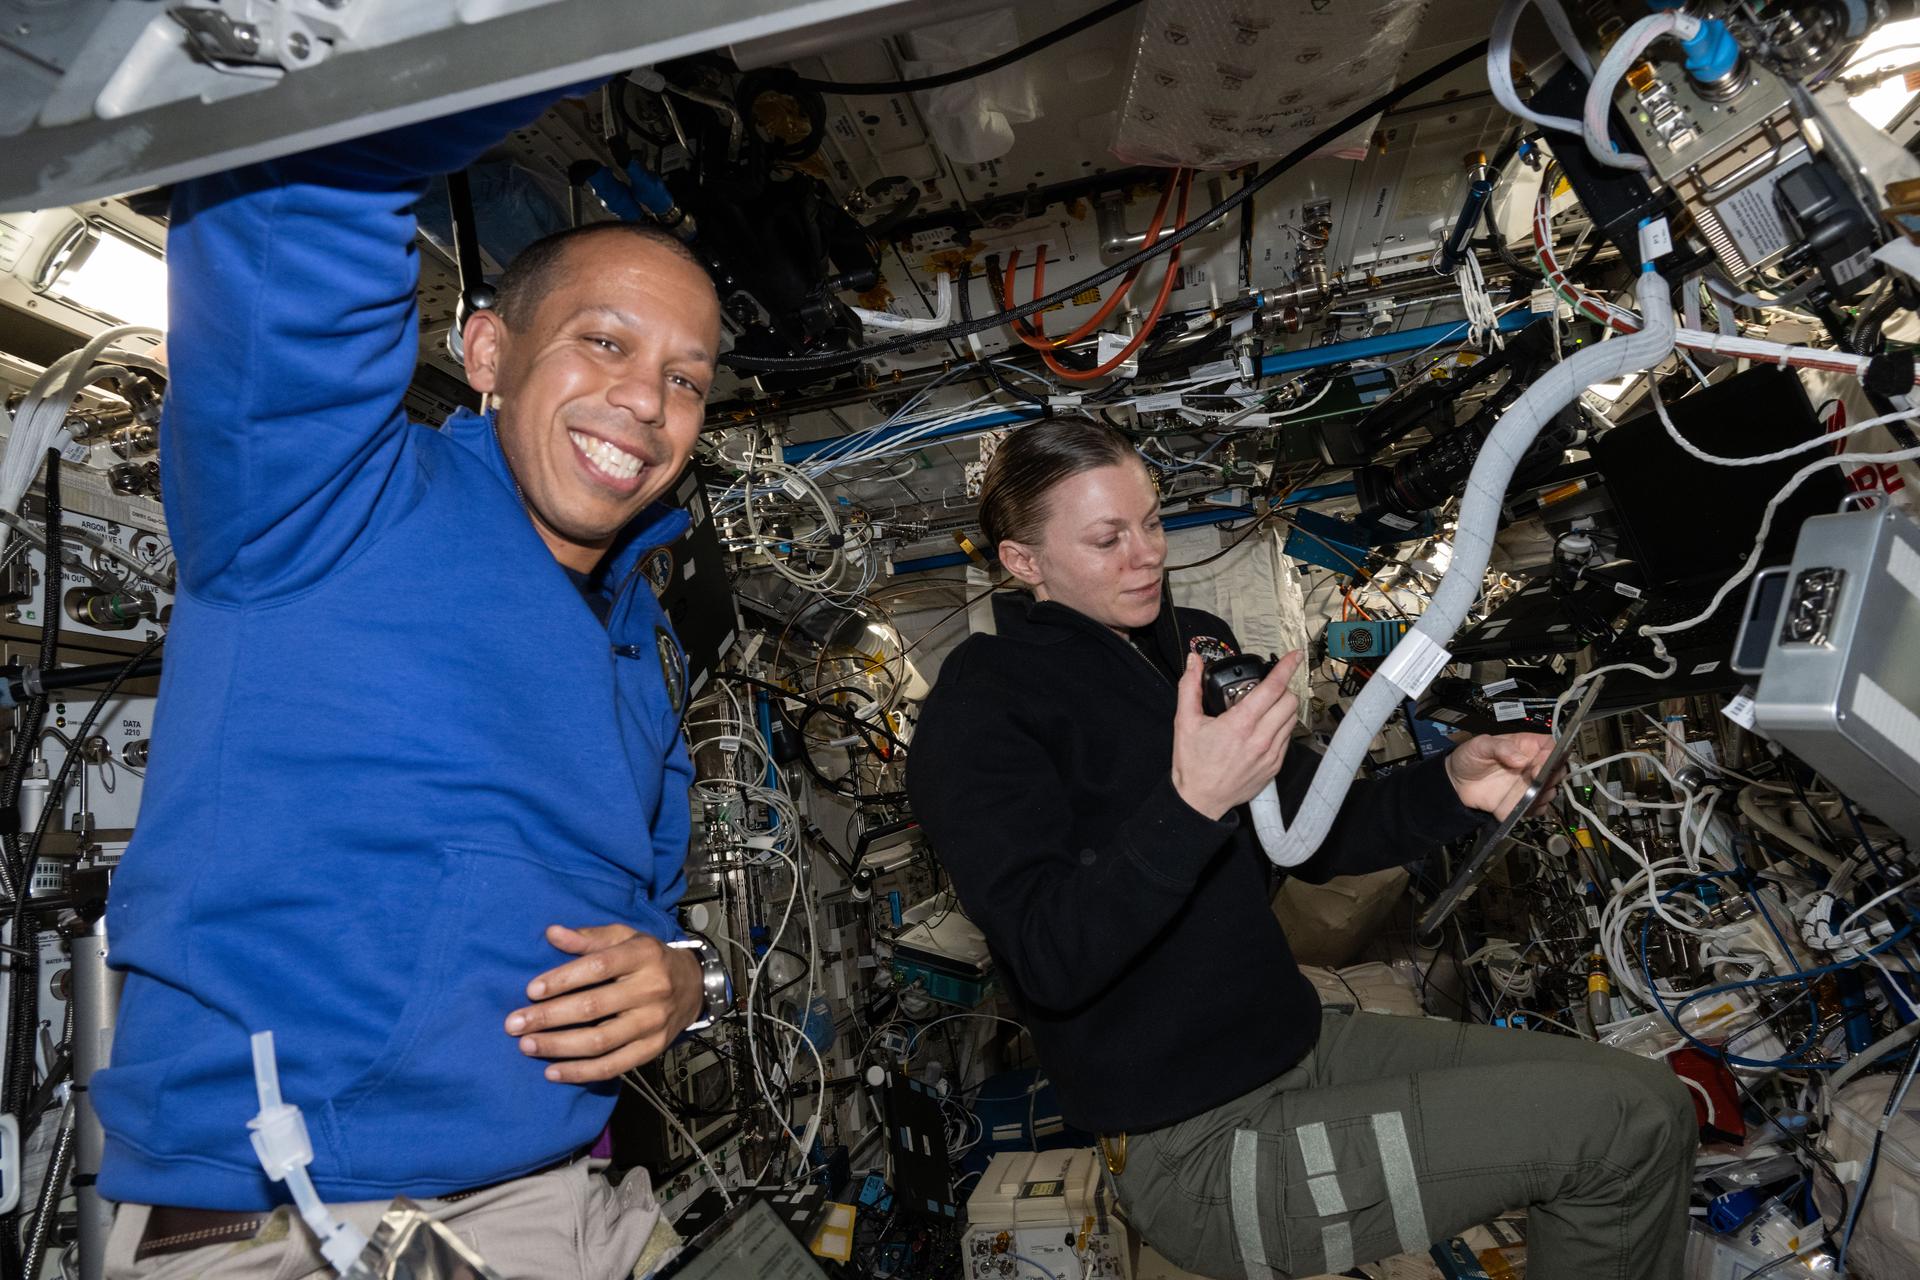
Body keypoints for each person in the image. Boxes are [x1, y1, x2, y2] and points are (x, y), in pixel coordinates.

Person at [93, 86, 728, 1279]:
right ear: (487, 348)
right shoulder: (324, 497)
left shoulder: (641, 643)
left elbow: (642, 912)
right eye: (605, 341)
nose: (646, 401)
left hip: (573, 1206)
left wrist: (684, 979)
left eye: (686, 378)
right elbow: (296, 192)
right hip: (316, 1219)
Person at [905, 419, 1698, 1280]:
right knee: (1623, 1131)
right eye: (1107, 538)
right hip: (1194, 1139)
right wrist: (1194, 801)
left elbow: (1313, 830)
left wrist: (1454, 786)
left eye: (1153, 522)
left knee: (1651, 1097)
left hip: (1294, 1047)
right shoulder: (983, 709)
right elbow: (1051, 955)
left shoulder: (1189, 646)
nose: (1147, 557)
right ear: (1025, 562)